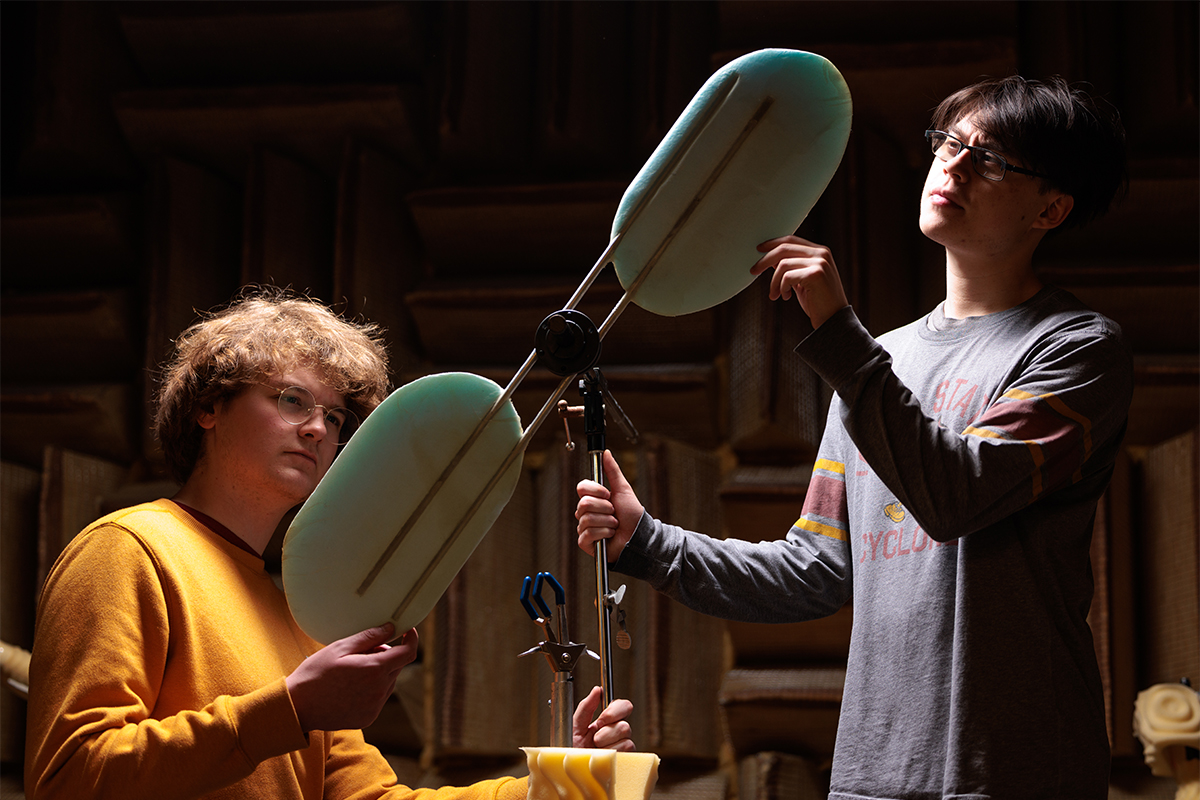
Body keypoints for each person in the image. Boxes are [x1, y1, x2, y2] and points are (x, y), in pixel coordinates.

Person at [576, 75, 1130, 798]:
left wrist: (840, 335)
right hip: (872, 777)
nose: (952, 168)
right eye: (949, 144)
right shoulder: (879, 361)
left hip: (1017, 773)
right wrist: (645, 541)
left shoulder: (1077, 349)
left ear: (1051, 208)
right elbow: (815, 569)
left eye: (991, 160)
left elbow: (954, 495)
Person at [25, 288, 634, 800]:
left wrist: (550, 784)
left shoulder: (301, 614)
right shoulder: (127, 550)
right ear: (211, 407)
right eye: (291, 400)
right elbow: (70, 778)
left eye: (336, 417)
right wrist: (289, 708)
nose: (318, 428)